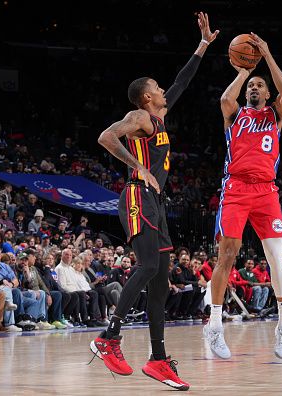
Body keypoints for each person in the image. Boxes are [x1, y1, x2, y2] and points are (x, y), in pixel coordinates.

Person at [90, 12, 218, 390]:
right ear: (147, 97)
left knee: (160, 283)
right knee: (147, 267)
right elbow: (105, 137)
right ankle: (108, 337)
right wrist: (138, 167)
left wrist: (204, 44)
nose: (164, 91)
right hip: (136, 196)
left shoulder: (159, 117)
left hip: (155, 204)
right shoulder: (138, 117)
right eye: (157, 89)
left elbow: (182, 82)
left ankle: (158, 360)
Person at [206, 32, 282, 360]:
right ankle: (215, 326)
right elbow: (225, 101)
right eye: (250, 87)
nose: (254, 88)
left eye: (259, 85)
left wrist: (266, 55)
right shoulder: (235, 114)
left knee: (275, 256)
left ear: (268, 93)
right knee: (227, 255)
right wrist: (243, 70)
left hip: (266, 191)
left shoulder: (276, 114)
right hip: (236, 189)